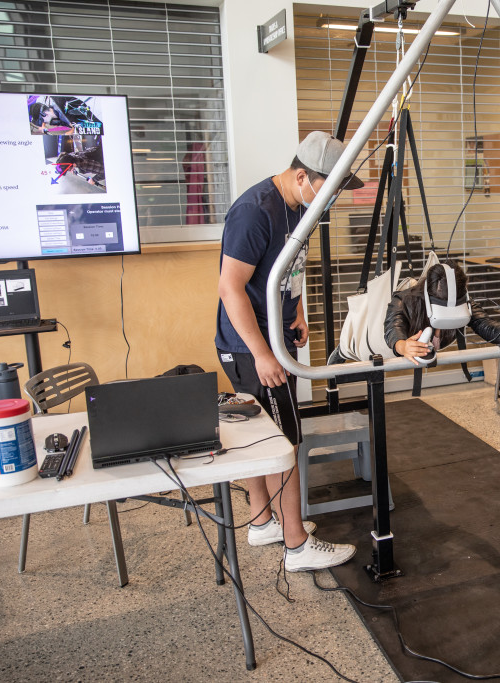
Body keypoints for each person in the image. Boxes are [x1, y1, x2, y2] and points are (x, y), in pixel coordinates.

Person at [216, 131, 363, 572]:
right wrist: (262, 354)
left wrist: (296, 312)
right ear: (302, 176)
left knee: (259, 439)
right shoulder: (253, 212)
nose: (333, 199)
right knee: (284, 443)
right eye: (330, 188)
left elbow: (287, 268)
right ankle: (297, 545)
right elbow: (231, 287)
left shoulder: (299, 207)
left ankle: (263, 522)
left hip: (273, 336)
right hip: (252, 348)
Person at [383, 261, 500, 365]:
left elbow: (483, 323)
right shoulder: (404, 301)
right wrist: (402, 346)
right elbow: (393, 326)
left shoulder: (463, 301)